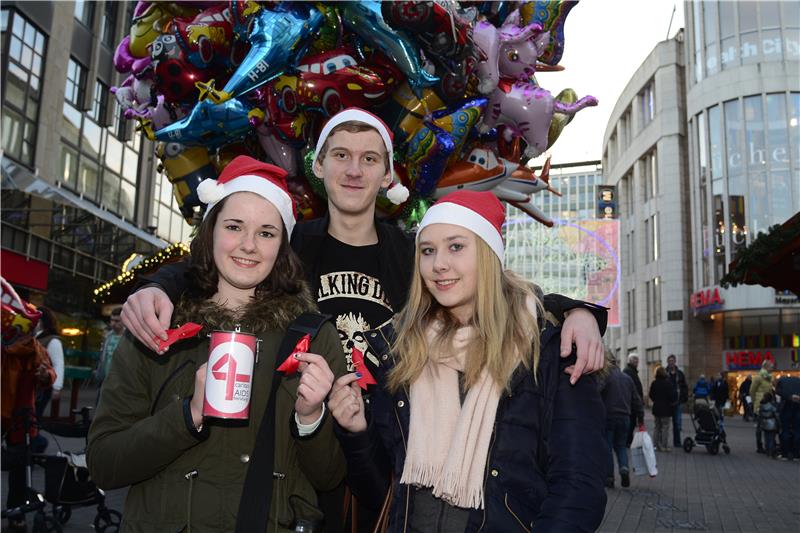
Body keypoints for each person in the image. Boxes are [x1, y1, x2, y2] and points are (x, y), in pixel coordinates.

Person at [119, 108, 608, 531]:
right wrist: (156, 286)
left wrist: (578, 311)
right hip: (299, 452)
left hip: (386, 445)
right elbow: (219, 260)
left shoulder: (412, 252)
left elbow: (490, 286)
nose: (354, 170)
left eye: (370, 158)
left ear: (386, 177)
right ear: (319, 166)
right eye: (341, 155)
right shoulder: (289, 248)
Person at [86, 157, 347, 532]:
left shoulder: (313, 337)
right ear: (210, 233)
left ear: (281, 247)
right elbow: (104, 464)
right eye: (234, 226)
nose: (248, 246)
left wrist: (310, 417)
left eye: (266, 233)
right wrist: (188, 415)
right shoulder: (157, 324)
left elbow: (329, 477)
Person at [328, 191, 608, 532]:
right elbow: (382, 492)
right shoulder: (403, 352)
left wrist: (578, 311)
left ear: (489, 255)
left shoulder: (549, 351)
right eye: (427, 250)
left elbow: (578, 491)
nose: (438, 264)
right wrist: (357, 432)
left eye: (456, 246)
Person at [2, 330, 55, 531]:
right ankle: (16, 514)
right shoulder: (33, 348)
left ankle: (16, 513)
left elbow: (48, 373)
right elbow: (48, 373)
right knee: (19, 468)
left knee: (20, 467)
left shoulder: (35, 349)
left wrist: (44, 376)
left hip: (20, 415)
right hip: (22, 414)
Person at [600, 352, 643, 489]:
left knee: (607, 447)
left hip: (609, 417)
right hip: (625, 417)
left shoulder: (605, 377)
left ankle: (609, 477)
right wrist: (640, 418)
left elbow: (596, 393)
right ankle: (624, 468)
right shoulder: (627, 378)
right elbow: (637, 400)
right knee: (621, 446)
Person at [34, 306, 64, 419]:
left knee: (34, 420)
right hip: (35, 386)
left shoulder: (53, 340)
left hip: (43, 385)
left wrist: (57, 387)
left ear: (42, 321)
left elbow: (58, 363)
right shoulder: (34, 337)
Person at [749, 360, 775, 454]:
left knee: (768, 425)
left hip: (768, 404)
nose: (772, 368)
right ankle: (759, 446)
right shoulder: (758, 377)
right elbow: (752, 391)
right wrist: (754, 402)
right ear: (766, 367)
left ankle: (769, 445)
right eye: (771, 367)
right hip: (760, 405)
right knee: (759, 427)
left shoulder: (770, 378)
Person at [649, 367, 676, 452]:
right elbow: (672, 397)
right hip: (666, 408)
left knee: (657, 427)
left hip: (656, 408)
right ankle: (664, 446)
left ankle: (655, 445)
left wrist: (655, 400)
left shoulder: (654, 383)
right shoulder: (668, 384)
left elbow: (651, 394)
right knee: (665, 427)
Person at [96, 307, 124, 384]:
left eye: (117, 321)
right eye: (111, 320)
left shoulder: (129, 338)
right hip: (106, 378)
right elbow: (103, 357)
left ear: (124, 321)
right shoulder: (108, 336)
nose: (113, 323)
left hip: (121, 380)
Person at [774, 375, 800, 461]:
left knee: (785, 430)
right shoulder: (798, 381)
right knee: (797, 431)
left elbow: (778, 392)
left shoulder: (781, 381)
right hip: (798, 408)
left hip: (786, 407)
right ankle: (797, 454)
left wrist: (789, 397)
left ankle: (785, 453)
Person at [665, 354, 688, 447]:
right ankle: (664, 442)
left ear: (675, 362)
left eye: (672, 360)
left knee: (677, 423)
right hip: (667, 402)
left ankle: (677, 442)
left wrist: (684, 398)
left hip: (677, 402)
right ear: (667, 362)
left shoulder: (680, 374)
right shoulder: (664, 373)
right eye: (669, 361)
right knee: (665, 424)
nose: (671, 362)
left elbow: (684, 386)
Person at [623, 353, 644, 446]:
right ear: (630, 361)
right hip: (631, 404)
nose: (636, 361)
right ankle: (627, 441)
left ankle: (628, 441)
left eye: (637, 360)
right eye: (634, 359)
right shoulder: (628, 371)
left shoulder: (632, 371)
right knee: (630, 424)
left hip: (632, 403)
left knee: (631, 424)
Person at [757, 392, 780, 458]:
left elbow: (759, 416)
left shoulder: (762, 406)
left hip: (764, 423)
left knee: (766, 437)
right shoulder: (772, 406)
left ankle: (767, 450)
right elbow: (776, 415)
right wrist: (779, 424)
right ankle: (771, 451)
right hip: (772, 423)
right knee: (771, 438)